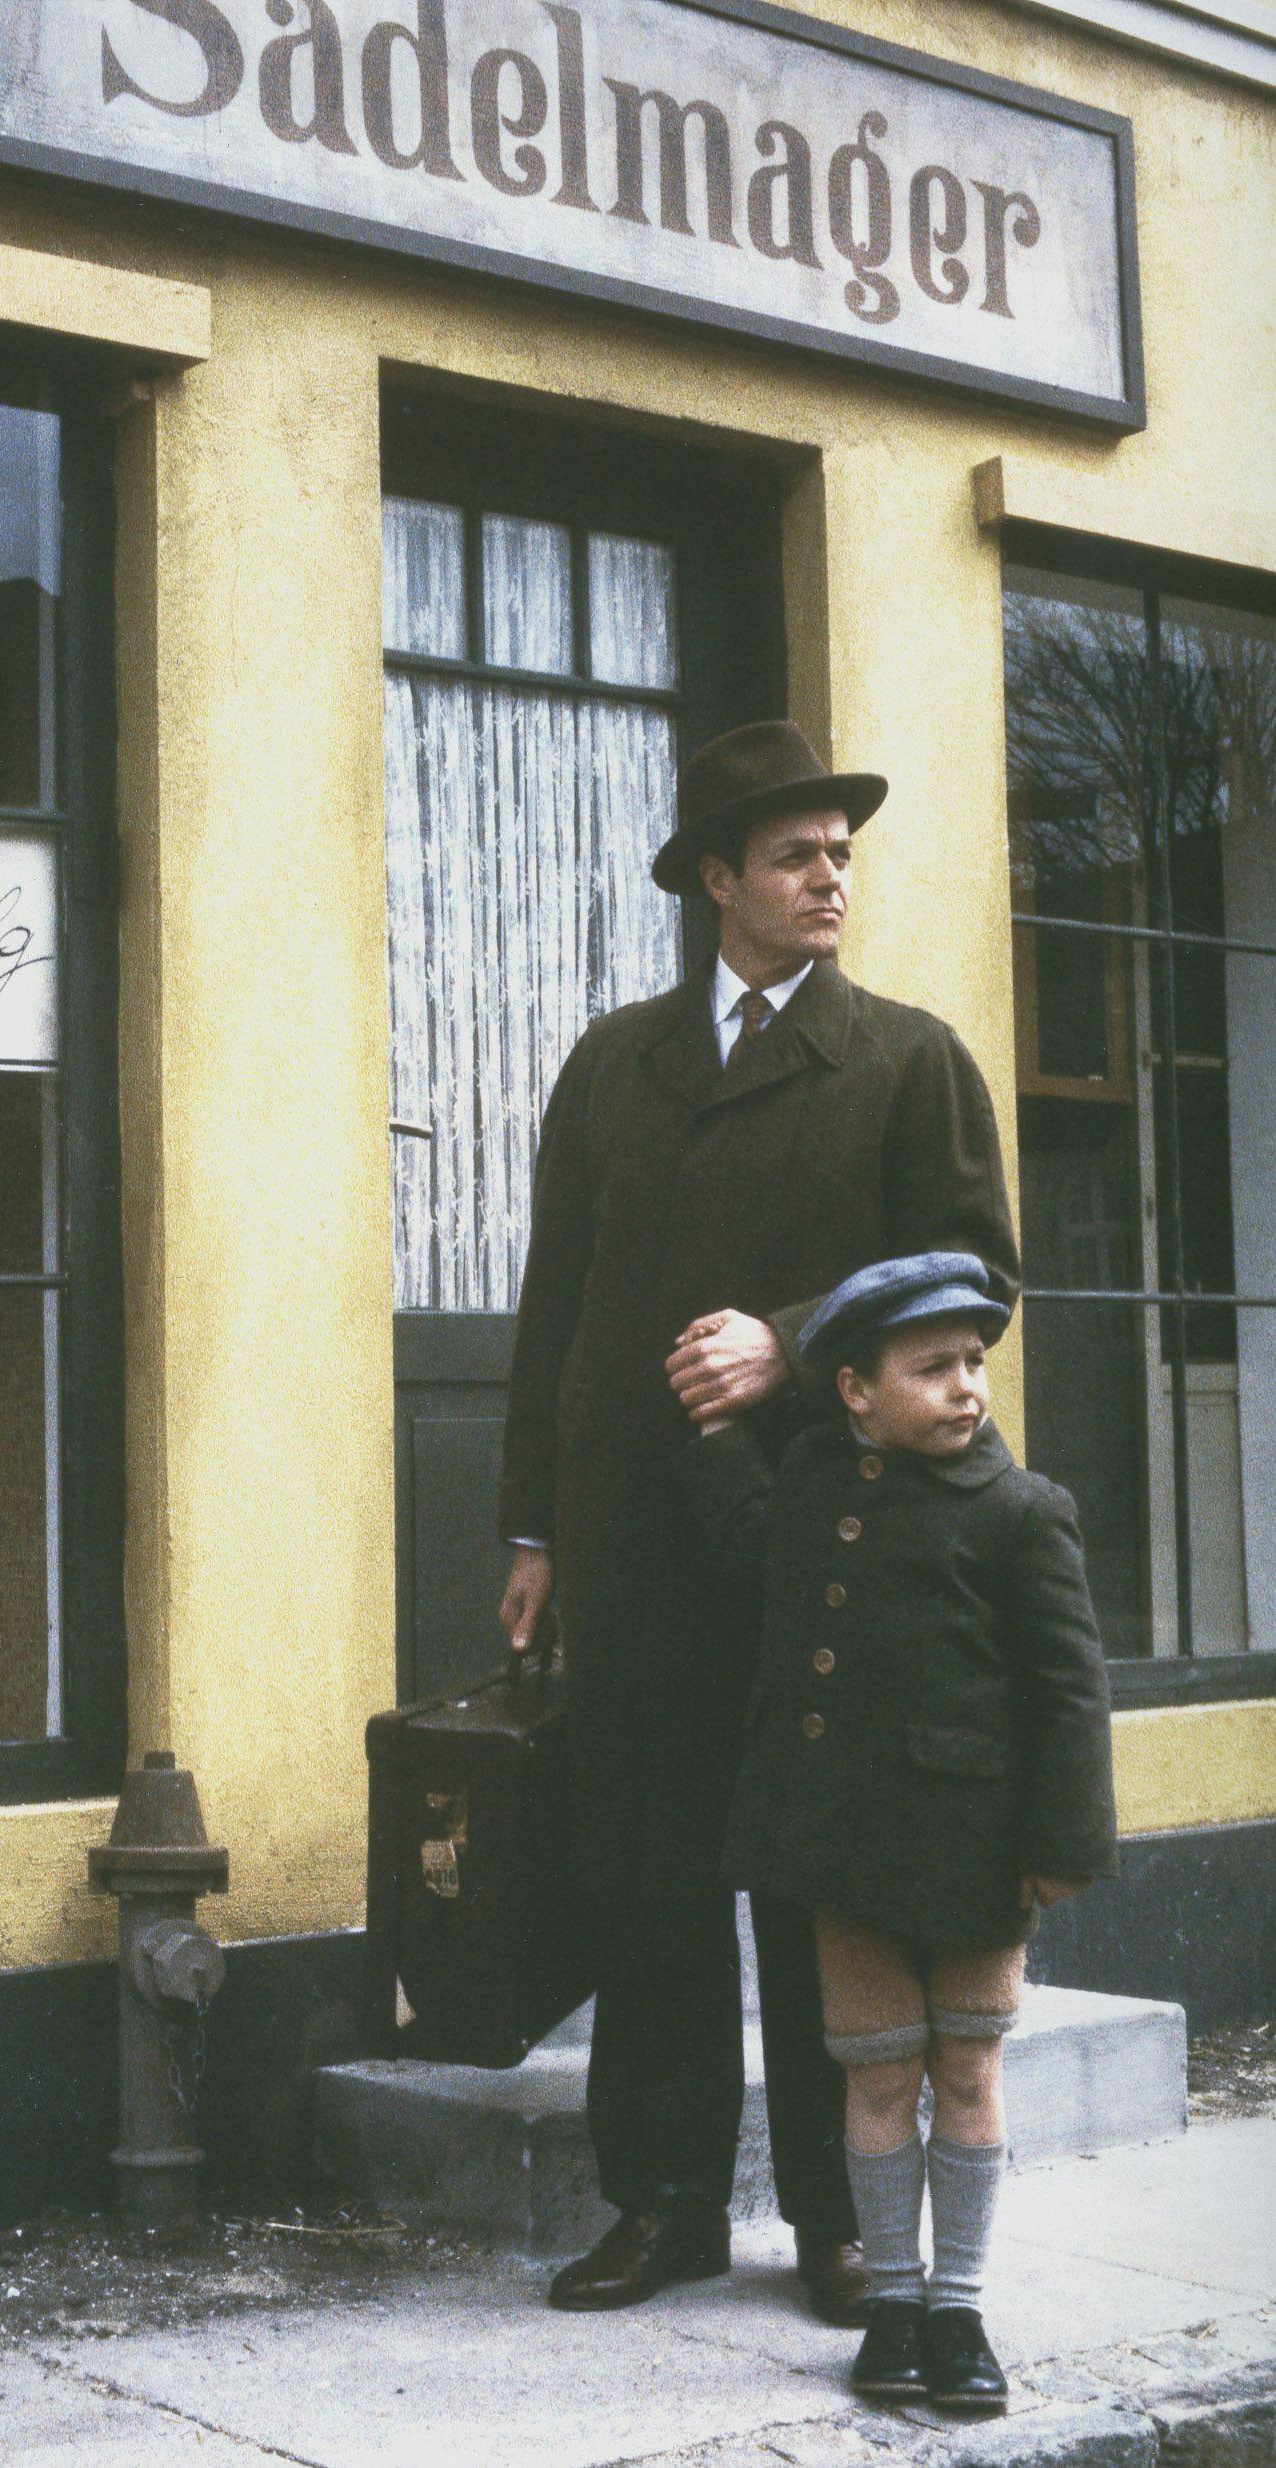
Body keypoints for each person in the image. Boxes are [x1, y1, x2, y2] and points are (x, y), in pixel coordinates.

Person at [496, 718, 1021, 2320]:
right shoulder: (611, 1062)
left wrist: (794, 1340)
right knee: (647, 1870)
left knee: (811, 1874)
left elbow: (974, 1280)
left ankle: (835, 2220)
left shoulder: (907, 1057)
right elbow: (553, 1311)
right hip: (634, 1542)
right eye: (794, 854)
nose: (827, 877)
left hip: (827, 1535)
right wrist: (530, 1530)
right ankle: (658, 2204)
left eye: (839, 853)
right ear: (714, 880)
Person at [677, 1253, 1118, 2413]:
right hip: (848, 1850)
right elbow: (753, 1552)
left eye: (974, 1361)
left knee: (965, 2068)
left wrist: (1064, 1841)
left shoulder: (1024, 1510)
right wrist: (709, 1439)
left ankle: (961, 2307)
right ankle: (896, 2303)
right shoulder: (822, 1488)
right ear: (854, 1390)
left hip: (977, 1849)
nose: (966, 1385)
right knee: (873, 2079)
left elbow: (1070, 1693)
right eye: (931, 1367)